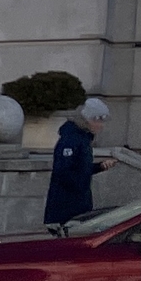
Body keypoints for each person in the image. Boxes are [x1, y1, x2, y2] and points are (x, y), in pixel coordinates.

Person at [46, 98, 117, 228]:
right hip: (66, 207)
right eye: (99, 120)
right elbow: (62, 171)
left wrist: (100, 166)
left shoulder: (82, 138)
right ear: (88, 119)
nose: (101, 125)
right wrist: (79, 188)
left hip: (77, 203)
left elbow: (79, 168)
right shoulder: (72, 139)